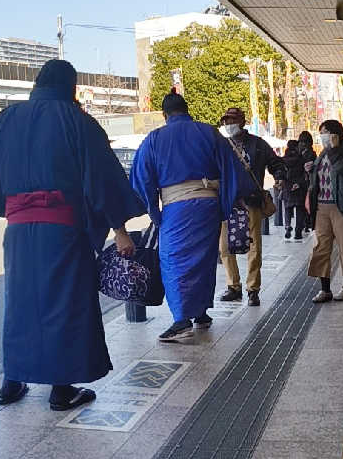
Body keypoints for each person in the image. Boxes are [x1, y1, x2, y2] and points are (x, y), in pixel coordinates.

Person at [0, 60, 145, 410]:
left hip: (18, 230)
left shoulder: (4, 120)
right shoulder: (77, 120)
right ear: (72, 86)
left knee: (20, 304)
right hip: (62, 229)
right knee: (65, 304)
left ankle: (11, 382)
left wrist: (4, 204)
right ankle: (61, 389)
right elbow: (103, 177)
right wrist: (119, 229)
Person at [130, 92, 248, 342]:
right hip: (209, 205)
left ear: (164, 115)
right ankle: (201, 313)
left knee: (174, 262)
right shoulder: (209, 133)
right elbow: (231, 169)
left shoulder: (155, 139)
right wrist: (224, 207)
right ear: (187, 110)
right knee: (204, 260)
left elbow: (142, 178)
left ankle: (181, 320)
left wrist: (155, 212)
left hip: (177, 207)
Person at [218, 106, 285, 306]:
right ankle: (233, 286)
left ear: (242, 122)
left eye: (232, 121)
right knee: (224, 247)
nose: (228, 125)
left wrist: (279, 177)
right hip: (227, 202)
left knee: (254, 247)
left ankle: (253, 289)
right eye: (226, 121)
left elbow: (275, 163)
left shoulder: (257, 144)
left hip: (252, 201)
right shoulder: (221, 145)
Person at [308, 120, 343, 303]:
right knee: (321, 248)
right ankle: (325, 289)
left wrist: (334, 149)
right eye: (321, 132)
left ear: (336, 133)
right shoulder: (323, 151)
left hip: (341, 206)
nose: (322, 136)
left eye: (325, 132)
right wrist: (311, 169)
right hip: (321, 207)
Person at [298, 131, 317, 232]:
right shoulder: (299, 153)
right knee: (303, 204)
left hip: (307, 182)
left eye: (304, 141)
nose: (302, 144)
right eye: (301, 141)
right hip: (302, 182)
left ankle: (308, 223)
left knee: (307, 203)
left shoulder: (311, 155)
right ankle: (305, 223)